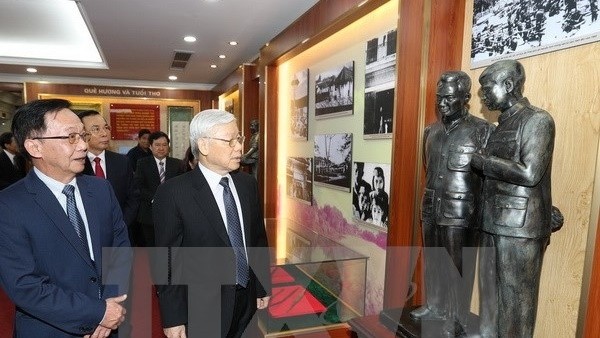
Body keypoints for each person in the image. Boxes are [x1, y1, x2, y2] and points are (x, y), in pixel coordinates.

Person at [0, 98, 131, 337]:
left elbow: (120, 249)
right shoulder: (8, 205)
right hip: (52, 329)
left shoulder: (101, 190)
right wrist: (96, 312)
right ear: (34, 147)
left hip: (112, 323)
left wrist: (112, 305)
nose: (83, 145)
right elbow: (25, 286)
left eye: (83, 135)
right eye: (71, 137)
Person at [153, 109, 271, 338]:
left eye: (240, 139)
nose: (239, 147)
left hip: (247, 299)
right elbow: (168, 260)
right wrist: (173, 316)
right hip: (203, 305)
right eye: (230, 140)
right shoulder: (173, 193)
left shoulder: (247, 184)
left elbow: (257, 238)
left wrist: (261, 284)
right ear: (204, 146)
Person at [471, 59, 556, 337]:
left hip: (518, 229)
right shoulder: (500, 127)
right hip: (492, 223)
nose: (481, 95)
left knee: (515, 304)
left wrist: (485, 163)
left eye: (486, 87)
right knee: (490, 298)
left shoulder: (537, 120)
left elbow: (530, 173)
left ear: (508, 85)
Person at [410, 71, 493, 335]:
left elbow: (489, 178)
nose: (442, 103)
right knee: (434, 259)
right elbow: (428, 167)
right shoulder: (430, 131)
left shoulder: (483, 131)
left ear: (466, 98)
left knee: (459, 265)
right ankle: (435, 306)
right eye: (439, 98)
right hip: (431, 205)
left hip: (461, 211)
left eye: (449, 98)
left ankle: (457, 318)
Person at [78, 110, 140, 245]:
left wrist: (121, 224)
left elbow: (133, 197)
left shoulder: (122, 162)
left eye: (106, 127)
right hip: (87, 236)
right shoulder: (76, 164)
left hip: (121, 234)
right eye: (96, 129)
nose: (104, 133)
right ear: (83, 134)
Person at [134, 131, 183, 247]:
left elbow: (181, 187)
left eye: (164, 145)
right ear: (150, 146)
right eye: (157, 145)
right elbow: (138, 186)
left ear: (168, 147)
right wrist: (157, 198)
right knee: (152, 247)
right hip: (149, 215)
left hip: (173, 214)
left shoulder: (177, 164)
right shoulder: (142, 163)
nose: (161, 148)